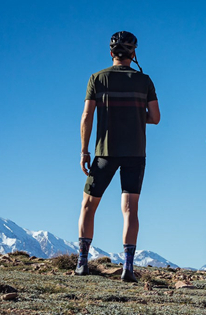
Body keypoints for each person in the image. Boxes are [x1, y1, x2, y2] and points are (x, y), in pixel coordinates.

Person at [76, 31, 160, 282]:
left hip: (104, 152)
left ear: (111, 53)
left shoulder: (97, 79)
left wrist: (84, 150)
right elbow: (155, 118)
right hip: (135, 153)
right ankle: (128, 268)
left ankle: (81, 263)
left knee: (89, 206)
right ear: (133, 54)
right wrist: (135, 116)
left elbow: (86, 117)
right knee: (130, 209)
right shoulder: (144, 80)